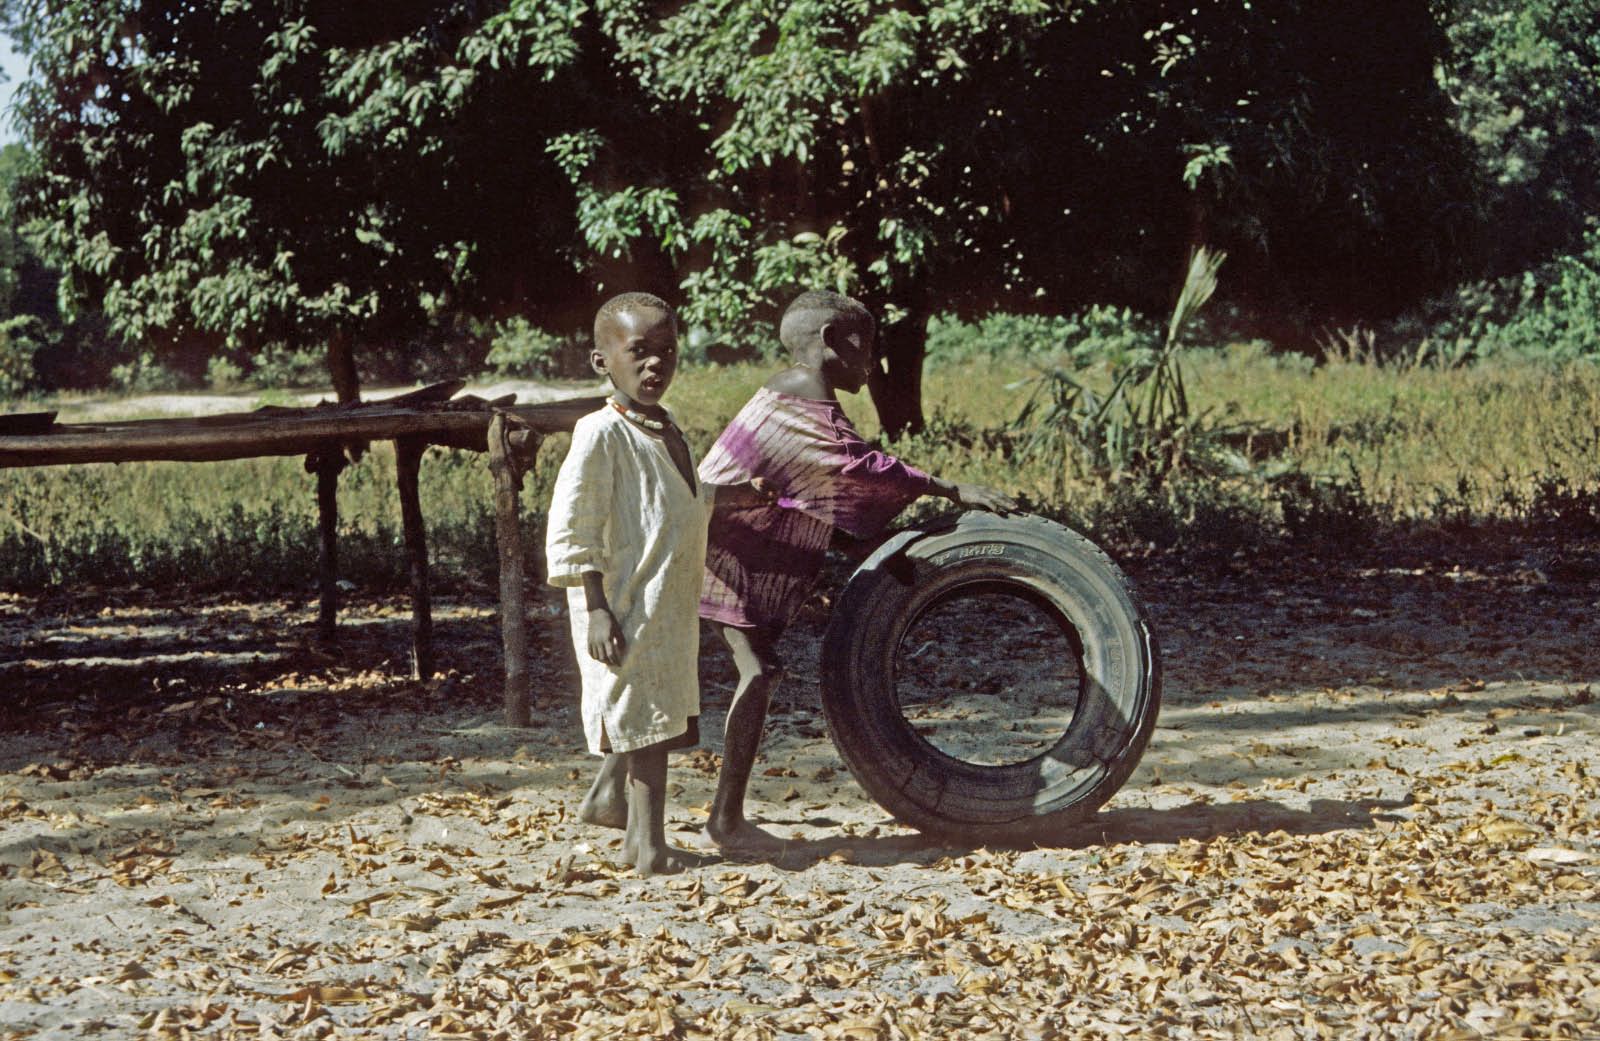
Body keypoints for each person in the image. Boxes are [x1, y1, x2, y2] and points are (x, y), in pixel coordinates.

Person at [696, 289, 1019, 852]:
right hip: (720, 551)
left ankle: (609, 797)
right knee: (761, 672)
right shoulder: (802, 389)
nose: (870, 363)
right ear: (828, 343)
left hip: (731, 543)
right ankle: (725, 818)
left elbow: (802, 491)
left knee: (748, 669)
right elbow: (851, 464)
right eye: (863, 346)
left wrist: (866, 545)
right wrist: (947, 486)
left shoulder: (793, 389)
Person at [545, 291, 769, 875]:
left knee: (656, 709)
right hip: (621, 599)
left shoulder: (666, 429)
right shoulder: (600, 433)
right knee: (643, 719)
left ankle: (607, 801)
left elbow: (681, 500)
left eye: (665, 353)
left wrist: (741, 495)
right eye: (638, 353)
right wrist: (594, 608)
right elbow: (575, 524)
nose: (654, 366)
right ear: (603, 361)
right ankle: (645, 846)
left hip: (665, 597)